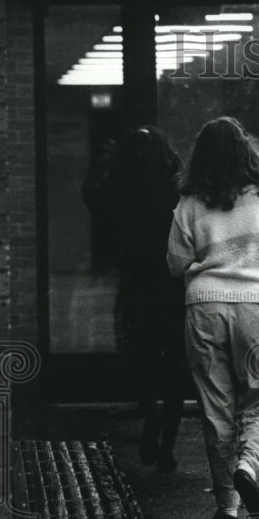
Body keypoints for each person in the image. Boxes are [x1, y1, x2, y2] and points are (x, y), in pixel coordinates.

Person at [166, 116, 259, 519]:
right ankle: (248, 465)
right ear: (247, 150)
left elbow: (175, 264)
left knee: (216, 407)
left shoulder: (189, 202)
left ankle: (226, 507)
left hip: (205, 307)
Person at [82, 126, 188, 472]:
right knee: (174, 362)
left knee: (140, 355)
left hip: (136, 283)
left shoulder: (120, 187)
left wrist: (104, 161)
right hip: (172, 284)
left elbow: (91, 197)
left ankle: (150, 411)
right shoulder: (175, 189)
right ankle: (168, 448)